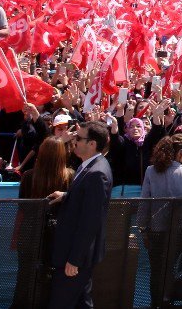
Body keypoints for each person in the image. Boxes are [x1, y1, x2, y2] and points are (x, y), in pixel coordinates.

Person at [46, 121, 114, 309]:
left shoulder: (96, 173)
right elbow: (87, 200)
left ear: (92, 144)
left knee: (61, 302)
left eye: (79, 138)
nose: (74, 141)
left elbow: (91, 221)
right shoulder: (90, 166)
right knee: (82, 302)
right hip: (76, 254)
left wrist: (75, 259)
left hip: (76, 257)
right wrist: (67, 195)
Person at [139, 134, 182, 309]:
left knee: (156, 270)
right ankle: (166, 302)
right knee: (169, 268)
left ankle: (155, 303)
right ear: (180, 152)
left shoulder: (151, 171)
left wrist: (143, 229)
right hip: (180, 232)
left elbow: (144, 203)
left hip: (155, 230)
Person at [14, 137, 73, 309]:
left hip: (30, 232)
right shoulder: (69, 175)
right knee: (51, 276)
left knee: (25, 275)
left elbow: (22, 207)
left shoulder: (28, 176)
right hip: (57, 234)